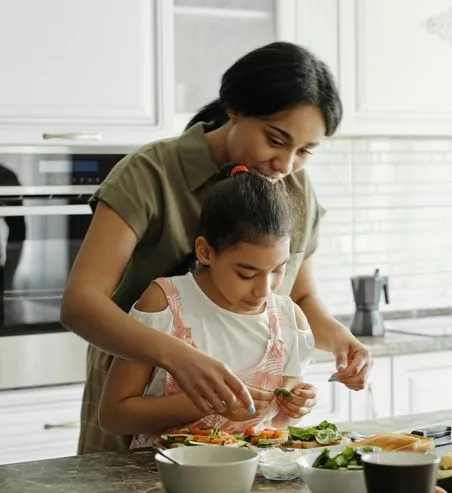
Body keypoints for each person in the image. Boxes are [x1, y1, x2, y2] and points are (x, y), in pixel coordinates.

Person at [61, 41, 372, 455]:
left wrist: (340, 341)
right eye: (275, 140)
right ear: (235, 110)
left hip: (241, 435)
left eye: (304, 152)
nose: (286, 164)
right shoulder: (150, 173)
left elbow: (298, 295)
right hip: (138, 401)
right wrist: (178, 358)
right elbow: (80, 303)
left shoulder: (294, 187)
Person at [99, 167, 317, 445]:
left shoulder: (289, 319)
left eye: (278, 269)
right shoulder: (165, 303)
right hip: (164, 478)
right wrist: (211, 403)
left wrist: (295, 406)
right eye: (246, 273)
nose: (264, 289)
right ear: (204, 251)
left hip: (253, 479)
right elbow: (114, 416)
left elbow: (278, 425)